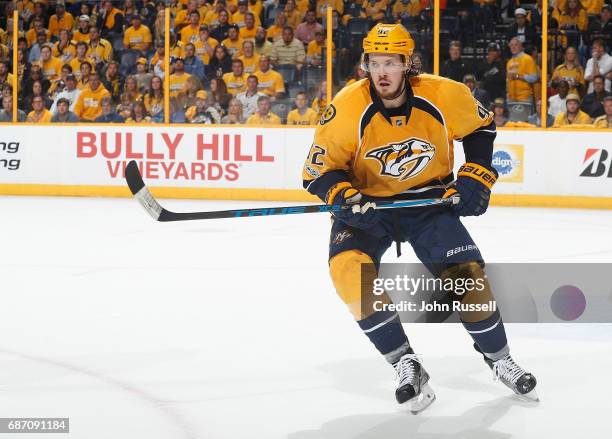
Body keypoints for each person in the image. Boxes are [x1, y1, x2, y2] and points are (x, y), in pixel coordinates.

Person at [301, 23, 537, 412]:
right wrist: (341, 194)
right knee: (348, 272)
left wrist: (477, 174)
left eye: (390, 63)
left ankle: (500, 360)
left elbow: (480, 127)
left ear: (408, 64)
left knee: (467, 277)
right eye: (374, 63)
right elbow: (317, 171)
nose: (381, 72)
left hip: (428, 203)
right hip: (367, 208)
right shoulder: (346, 107)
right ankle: (404, 361)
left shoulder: (444, 94)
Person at [506, 37, 538, 104]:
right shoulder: (509, 62)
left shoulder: (528, 59)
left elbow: (534, 78)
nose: (513, 47)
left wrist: (517, 76)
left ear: (521, 47)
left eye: (516, 45)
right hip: (511, 98)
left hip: (525, 98)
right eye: (511, 45)